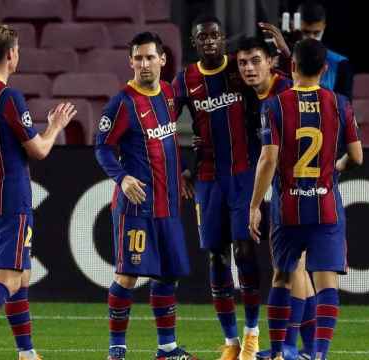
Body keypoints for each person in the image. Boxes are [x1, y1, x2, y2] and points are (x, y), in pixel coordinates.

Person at [0, 24, 76, 360]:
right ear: (11, 54)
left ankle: (26, 352)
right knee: (7, 279)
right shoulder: (8, 97)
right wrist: (54, 128)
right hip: (12, 196)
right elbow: (38, 150)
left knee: (21, 275)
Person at [248, 38, 363, 360]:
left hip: (288, 207)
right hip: (325, 204)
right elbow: (357, 156)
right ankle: (320, 355)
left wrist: (255, 205)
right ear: (325, 69)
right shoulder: (340, 103)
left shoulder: (273, 106)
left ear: (293, 67)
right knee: (326, 281)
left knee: (283, 275)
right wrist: (336, 169)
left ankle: (280, 351)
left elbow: (268, 160)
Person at [95, 31, 197, 360]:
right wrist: (122, 178)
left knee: (168, 274)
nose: (144, 64)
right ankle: (116, 351)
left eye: (150, 57)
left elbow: (166, 145)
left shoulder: (168, 94)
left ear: (163, 60)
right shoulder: (122, 102)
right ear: (130, 62)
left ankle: (166, 349)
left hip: (167, 205)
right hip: (136, 206)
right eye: (138, 58)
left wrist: (180, 173)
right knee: (127, 276)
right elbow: (102, 148)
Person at [172, 15, 268, 360]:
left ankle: (253, 334)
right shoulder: (185, 80)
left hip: (245, 174)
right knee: (215, 254)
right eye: (204, 38)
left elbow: (274, 82)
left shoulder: (239, 70)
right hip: (208, 178)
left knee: (244, 249)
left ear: (223, 39)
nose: (211, 42)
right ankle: (230, 342)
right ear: (194, 43)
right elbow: (162, 126)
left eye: (215, 36)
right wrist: (182, 167)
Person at [235, 36, 316, 360]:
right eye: (243, 63)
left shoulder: (284, 94)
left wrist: (254, 205)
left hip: (298, 189)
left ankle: (289, 350)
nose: (249, 68)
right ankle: (309, 350)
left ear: (272, 62)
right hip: (295, 189)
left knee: (290, 269)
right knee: (296, 271)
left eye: (256, 60)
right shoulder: (261, 96)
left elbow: (273, 155)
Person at [298, 0, 353, 100]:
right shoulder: (282, 60)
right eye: (305, 32)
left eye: (317, 33)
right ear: (295, 26)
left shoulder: (340, 63)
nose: (311, 39)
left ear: (324, 27)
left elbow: (345, 109)